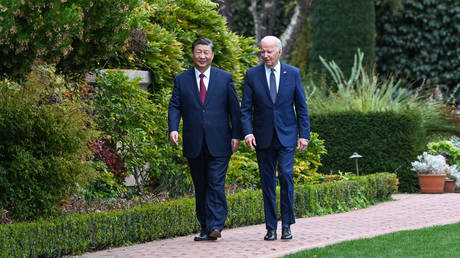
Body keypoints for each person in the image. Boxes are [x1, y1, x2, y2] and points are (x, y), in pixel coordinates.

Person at [168, 38, 241, 241]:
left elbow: (234, 109)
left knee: (215, 183)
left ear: (212, 55)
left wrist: (237, 135)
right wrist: (173, 128)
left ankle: (216, 225)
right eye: (199, 52)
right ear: (192, 54)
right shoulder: (181, 80)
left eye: (206, 52)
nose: (202, 56)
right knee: (200, 186)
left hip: (220, 141)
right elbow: (175, 106)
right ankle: (204, 227)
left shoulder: (224, 78)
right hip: (194, 142)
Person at [240, 35, 310, 241]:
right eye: (262, 51)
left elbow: (302, 107)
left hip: (287, 136)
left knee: (286, 177)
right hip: (262, 138)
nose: (265, 55)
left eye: (269, 51)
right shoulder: (252, 75)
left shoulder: (293, 73)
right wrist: (247, 132)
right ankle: (271, 227)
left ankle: (287, 224)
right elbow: (245, 109)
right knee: (267, 182)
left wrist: (303, 135)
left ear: (279, 52)